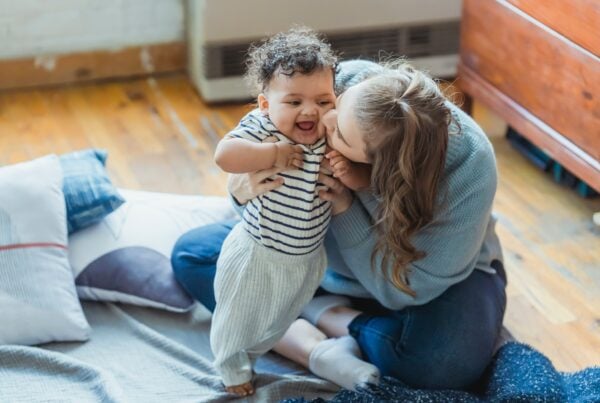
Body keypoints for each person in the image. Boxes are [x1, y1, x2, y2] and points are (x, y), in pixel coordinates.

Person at [172, 58, 507, 392]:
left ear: (380, 171)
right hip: (309, 256)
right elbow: (250, 164)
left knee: (440, 368)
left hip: (413, 283)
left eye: (340, 134)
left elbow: (405, 289)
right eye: (338, 104)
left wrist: (346, 207)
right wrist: (242, 191)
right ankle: (311, 344)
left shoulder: (470, 170)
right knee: (194, 254)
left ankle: (330, 317)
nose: (324, 119)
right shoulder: (336, 84)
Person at [206, 28, 379, 397]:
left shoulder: (331, 133)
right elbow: (225, 155)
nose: (309, 111)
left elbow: (367, 179)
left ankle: (263, 347)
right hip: (258, 252)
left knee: (276, 322)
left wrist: (353, 175)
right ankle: (231, 365)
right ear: (266, 104)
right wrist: (271, 154)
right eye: (294, 101)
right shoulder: (263, 127)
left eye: (322, 100)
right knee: (240, 315)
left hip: (307, 259)